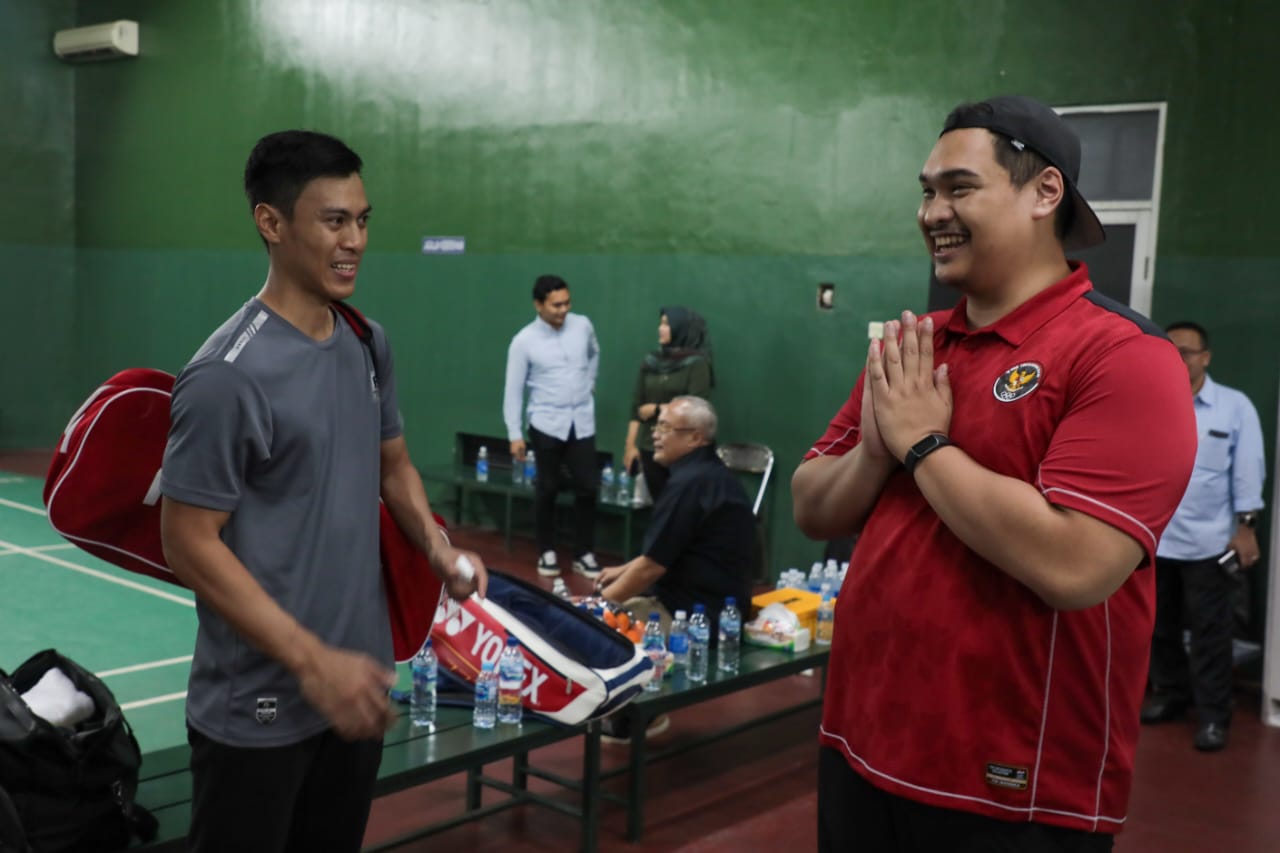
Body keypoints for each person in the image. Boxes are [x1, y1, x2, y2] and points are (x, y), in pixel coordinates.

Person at [791, 95, 1197, 851]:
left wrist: (922, 446)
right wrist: (876, 451)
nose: (931, 213)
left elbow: (1076, 564)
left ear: (1045, 192)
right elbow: (811, 506)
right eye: (926, 191)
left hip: (1011, 788)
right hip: (859, 743)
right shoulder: (915, 346)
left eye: (960, 188)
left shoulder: (1125, 357)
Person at [159, 130, 487, 853]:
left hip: (356, 688)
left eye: (362, 220)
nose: (355, 242)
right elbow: (186, 540)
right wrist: (313, 662)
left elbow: (393, 465)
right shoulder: (226, 375)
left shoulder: (367, 342)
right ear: (271, 223)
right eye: (334, 220)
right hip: (259, 705)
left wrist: (438, 550)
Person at [1141, 321, 1266, 752]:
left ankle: (1214, 715)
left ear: (1205, 357)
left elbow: (1248, 469)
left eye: (1186, 352)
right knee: (1159, 627)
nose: (1177, 359)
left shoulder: (1234, 406)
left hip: (1209, 544)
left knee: (1211, 634)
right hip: (1156, 540)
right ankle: (1171, 695)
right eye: (1168, 350)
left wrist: (1246, 527)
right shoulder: (1149, 402)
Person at [596, 396, 754, 635]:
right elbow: (665, 549)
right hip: (709, 605)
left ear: (695, 438)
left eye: (665, 427)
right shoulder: (710, 474)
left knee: (596, 629)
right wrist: (622, 570)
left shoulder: (689, 484)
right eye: (656, 426)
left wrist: (595, 606)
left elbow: (651, 568)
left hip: (694, 616)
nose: (655, 435)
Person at [503, 275, 602, 579]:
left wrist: (590, 382)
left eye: (567, 303)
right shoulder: (523, 341)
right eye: (556, 305)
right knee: (547, 489)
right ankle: (546, 551)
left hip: (581, 421)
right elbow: (513, 390)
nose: (563, 310)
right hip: (546, 423)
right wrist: (514, 434)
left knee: (588, 486)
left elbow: (594, 353)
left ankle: (583, 553)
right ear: (539, 305)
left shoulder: (582, 326)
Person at [622, 306, 715, 501]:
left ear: (680, 329)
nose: (660, 329)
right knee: (660, 505)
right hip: (650, 447)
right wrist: (630, 446)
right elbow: (637, 407)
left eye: (666, 324)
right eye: (660, 324)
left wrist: (657, 409)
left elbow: (696, 409)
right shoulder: (651, 361)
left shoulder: (697, 364)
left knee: (680, 505)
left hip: (682, 450)